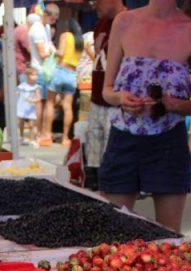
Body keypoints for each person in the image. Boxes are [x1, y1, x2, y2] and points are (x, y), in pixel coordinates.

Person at [99, 0, 191, 233]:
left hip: (168, 143)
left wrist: (174, 104)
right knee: (114, 232)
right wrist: (122, 99)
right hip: (123, 139)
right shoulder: (124, 22)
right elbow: (107, 91)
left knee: (168, 237)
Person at [85, 0, 125, 189]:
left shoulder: (128, 21)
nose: (94, 5)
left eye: (98, 1)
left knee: (112, 150)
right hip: (97, 97)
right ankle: (95, 181)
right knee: (94, 144)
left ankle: (112, 187)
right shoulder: (100, 23)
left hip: (117, 102)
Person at [44, 17, 84, 146]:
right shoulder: (81, 41)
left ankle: (47, 135)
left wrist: (53, 51)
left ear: (68, 28)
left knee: (50, 103)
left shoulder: (65, 35)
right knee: (67, 107)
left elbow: (60, 53)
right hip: (72, 74)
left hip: (60, 71)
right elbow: (90, 55)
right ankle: (66, 138)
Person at [29, 5, 60, 145]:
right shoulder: (37, 29)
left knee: (45, 102)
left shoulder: (45, 28)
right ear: (47, 14)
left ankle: (42, 133)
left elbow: (49, 45)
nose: (54, 22)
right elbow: (43, 53)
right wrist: (56, 53)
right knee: (44, 103)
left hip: (44, 69)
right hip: (41, 70)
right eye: (53, 19)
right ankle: (41, 133)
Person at [17, 67, 41, 144]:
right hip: (22, 106)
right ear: (27, 76)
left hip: (31, 108)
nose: (35, 77)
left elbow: (38, 98)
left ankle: (32, 138)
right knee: (21, 122)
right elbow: (17, 93)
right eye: (33, 75)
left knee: (31, 124)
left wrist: (32, 100)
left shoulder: (36, 87)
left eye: (36, 75)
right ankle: (21, 136)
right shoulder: (22, 86)